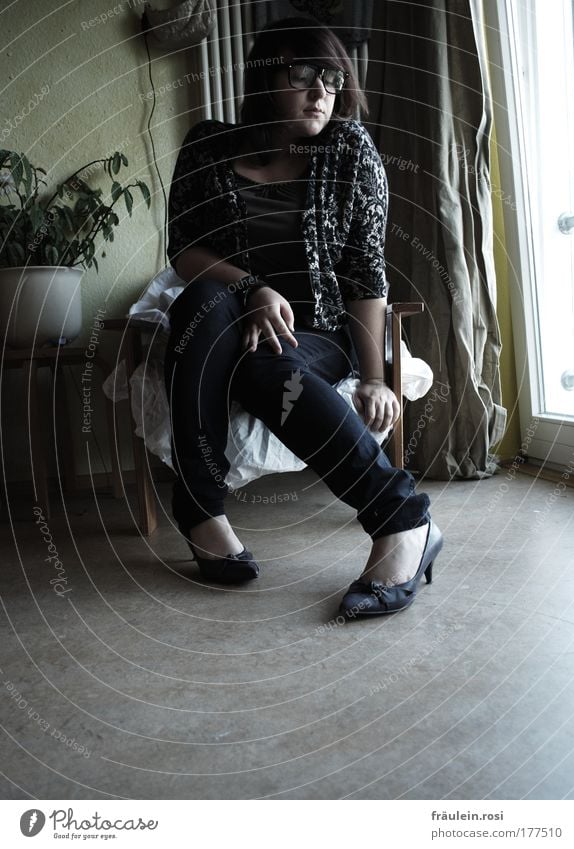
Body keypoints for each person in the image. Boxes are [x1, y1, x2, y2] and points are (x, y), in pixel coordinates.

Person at [164, 17, 443, 618]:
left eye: (334, 77)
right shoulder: (208, 147)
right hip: (232, 311)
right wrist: (255, 286)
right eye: (305, 74)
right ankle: (201, 510)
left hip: (320, 331)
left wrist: (374, 375)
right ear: (265, 79)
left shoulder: (348, 151)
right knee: (195, 306)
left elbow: (365, 273)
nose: (323, 90)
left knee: (263, 369)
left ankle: (404, 522)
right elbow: (185, 250)